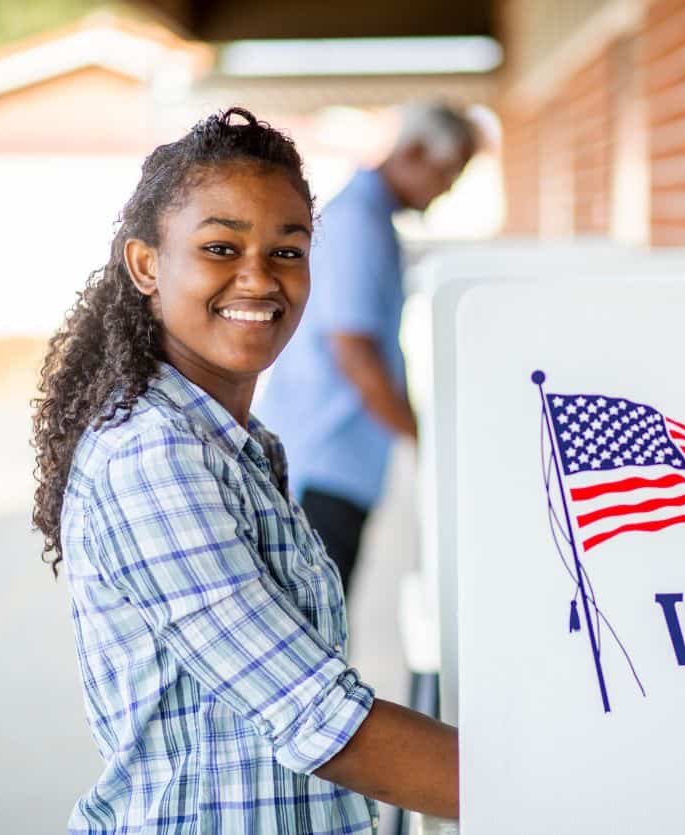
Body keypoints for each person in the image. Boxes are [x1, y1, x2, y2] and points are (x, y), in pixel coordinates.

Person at [31, 108, 457, 833]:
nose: (259, 278)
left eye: (287, 251)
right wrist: (551, 787)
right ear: (146, 265)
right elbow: (323, 719)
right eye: (221, 247)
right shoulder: (154, 455)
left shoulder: (238, 442)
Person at [253, 102, 478, 597]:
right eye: (450, 171)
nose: (450, 189)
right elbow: (354, 352)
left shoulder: (373, 215)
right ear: (415, 152)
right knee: (314, 628)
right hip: (322, 465)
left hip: (338, 463)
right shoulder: (359, 220)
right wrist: (424, 439)